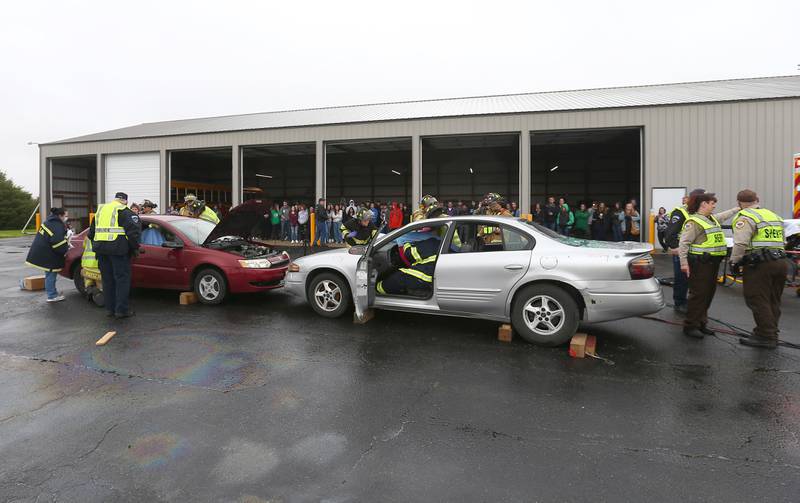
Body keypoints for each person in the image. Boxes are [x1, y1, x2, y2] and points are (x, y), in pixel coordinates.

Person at [729, 190, 787, 349]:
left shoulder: (746, 217)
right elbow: (783, 240)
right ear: (757, 200)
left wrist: (734, 262)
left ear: (739, 203)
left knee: (756, 298)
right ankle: (769, 331)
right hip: (781, 261)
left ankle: (766, 336)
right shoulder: (773, 215)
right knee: (773, 298)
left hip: (760, 264)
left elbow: (740, 243)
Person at [678, 192, 739, 338]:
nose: (714, 206)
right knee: (698, 295)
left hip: (712, 264)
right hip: (700, 265)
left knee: (708, 294)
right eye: (712, 203)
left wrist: (736, 209)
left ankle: (701, 323)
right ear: (703, 204)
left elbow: (723, 216)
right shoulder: (694, 222)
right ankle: (690, 326)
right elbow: (683, 244)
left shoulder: (710, 219)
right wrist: (684, 264)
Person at [88, 192, 141, 318]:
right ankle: (121, 310)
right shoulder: (125, 211)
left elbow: (91, 234)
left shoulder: (101, 210)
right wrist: (135, 248)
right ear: (125, 201)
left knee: (107, 280)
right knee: (121, 280)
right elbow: (134, 234)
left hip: (101, 251)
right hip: (118, 251)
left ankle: (110, 309)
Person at [664, 189, 706, 314]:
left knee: (691, 279)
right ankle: (680, 302)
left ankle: (688, 301)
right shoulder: (681, 212)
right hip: (681, 252)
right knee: (682, 279)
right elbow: (670, 234)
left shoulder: (699, 212)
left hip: (694, 252)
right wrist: (675, 248)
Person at [25, 207, 71, 302]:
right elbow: (58, 243)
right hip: (48, 255)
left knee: (49, 275)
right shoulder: (56, 225)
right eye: (66, 216)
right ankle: (52, 296)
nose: (67, 218)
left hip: (43, 252)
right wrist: (66, 247)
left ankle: (52, 293)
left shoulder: (50, 222)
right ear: (60, 215)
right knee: (51, 275)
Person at [377, 231, 441, 297]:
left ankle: (379, 289)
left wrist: (378, 288)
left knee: (401, 279)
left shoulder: (419, 247)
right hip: (436, 270)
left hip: (429, 274)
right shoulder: (435, 241)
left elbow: (401, 278)